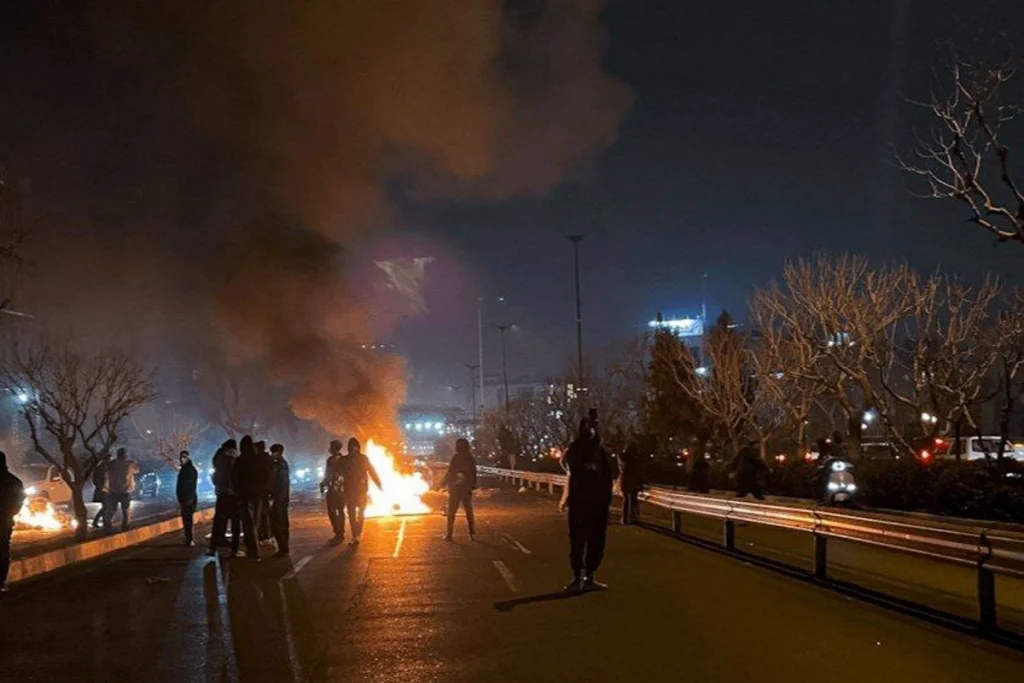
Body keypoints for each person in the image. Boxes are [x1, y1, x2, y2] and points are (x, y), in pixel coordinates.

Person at [560, 415, 614, 592]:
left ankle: (586, 577)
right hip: (586, 504)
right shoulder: (582, 450)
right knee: (582, 541)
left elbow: (607, 477)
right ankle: (581, 577)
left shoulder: (596, 451)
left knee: (589, 541)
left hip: (591, 504)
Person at [342, 438, 381, 546]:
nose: (353, 449)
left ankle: (357, 533)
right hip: (352, 490)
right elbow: (339, 473)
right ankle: (355, 534)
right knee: (353, 513)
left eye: (354, 446)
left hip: (359, 490)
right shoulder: (345, 460)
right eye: (351, 447)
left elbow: (372, 472)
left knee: (359, 513)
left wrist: (379, 484)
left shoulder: (362, 458)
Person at [208, 439, 241, 558]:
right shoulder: (235, 461)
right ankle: (235, 549)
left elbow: (215, 477)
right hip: (233, 496)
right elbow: (237, 477)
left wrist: (219, 487)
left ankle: (213, 548)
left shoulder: (218, 460)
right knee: (235, 524)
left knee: (219, 523)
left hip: (221, 495)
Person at [232, 435, 262, 560]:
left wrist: (237, 492)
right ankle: (255, 549)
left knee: (248, 524)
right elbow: (266, 475)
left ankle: (253, 552)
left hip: (245, 495)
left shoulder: (240, 460)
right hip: (258, 495)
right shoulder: (258, 459)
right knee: (255, 523)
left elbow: (234, 478)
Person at [442, 438, 477, 541]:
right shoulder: (470, 458)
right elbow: (473, 474)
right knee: (469, 512)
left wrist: (442, 483)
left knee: (451, 513)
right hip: (466, 489)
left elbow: (451, 472)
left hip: (456, 489)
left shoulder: (456, 458)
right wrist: (472, 486)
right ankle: (472, 533)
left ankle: (449, 534)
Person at [1, 451, 25, 593]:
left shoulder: (12, 481)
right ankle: (1, 581)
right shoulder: (13, 481)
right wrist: (11, 513)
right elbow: (20, 500)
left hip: (4, 519)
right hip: (5, 521)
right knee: (3, 550)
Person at [320, 439, 348, 544]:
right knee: (340, 511)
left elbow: (329, 474)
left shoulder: (331, 460)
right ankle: (341, 533)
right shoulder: (344, 459)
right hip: (342, 489)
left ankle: (338, 533)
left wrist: (323, 484)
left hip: (333, 489)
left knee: (332, 511)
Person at [105, 448, 139, 531]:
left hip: (113, 490)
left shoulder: (112, 464)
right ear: (125, 455)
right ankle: (125, 525)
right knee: (126, 509)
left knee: (112, 509)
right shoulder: (130, 464)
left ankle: (107, 524)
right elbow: (137, 470)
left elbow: (106, 471)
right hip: (125, 491)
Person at [269, 444, 290, 557]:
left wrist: (273, 496)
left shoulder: (278, 465)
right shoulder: (282, 464)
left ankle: (283, 547)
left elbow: (276, 482)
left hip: (279, 498)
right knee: (282, 523)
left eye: (273, 452)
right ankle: (283, 546)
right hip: (282, 498)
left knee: (278, 523)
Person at [176, 450, 199, 547]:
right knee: (187, 519)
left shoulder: (188, 470)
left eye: (184, 457)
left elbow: (189, 485)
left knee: (187, 519)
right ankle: (189, 539)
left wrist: (187, 498)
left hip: (187, 498)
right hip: (187, 497)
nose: (182, 459)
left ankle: (189, 540)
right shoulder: (187, 469)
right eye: (181, 457)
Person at [618, 442, 643, 525]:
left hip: (624, 480)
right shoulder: (632, 459)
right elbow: (635, 470)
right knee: (632, 500)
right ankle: (631, 518)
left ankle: (625, 519)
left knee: (626, 500)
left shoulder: (621, 457)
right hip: (632, 480)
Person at [91, 454, 111, 529]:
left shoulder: (108, 468)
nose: (109, 461)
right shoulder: (99, 468)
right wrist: (100, 487)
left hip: (108, 490)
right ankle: (98, 521)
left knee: (106, 507)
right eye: (108, 459)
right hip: (103, 490)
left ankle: (104, 522)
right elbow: (95, 480)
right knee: (105, 507)